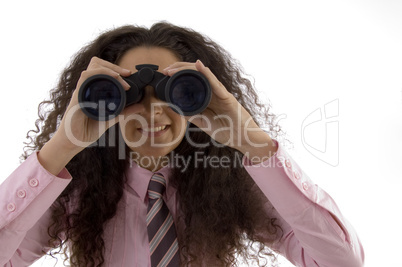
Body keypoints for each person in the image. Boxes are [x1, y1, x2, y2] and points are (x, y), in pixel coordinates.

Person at [0, 22, 364, 267]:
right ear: (104, 103)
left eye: (176, 92)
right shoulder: (79, 193)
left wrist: (250, 140)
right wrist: (62, 145)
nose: (153, 111)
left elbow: (341, 260)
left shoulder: (230, 186)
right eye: (130, 96)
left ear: (199, 99)